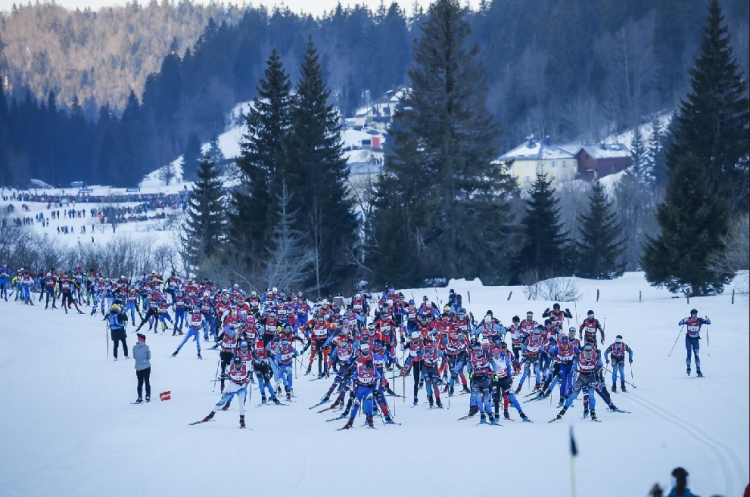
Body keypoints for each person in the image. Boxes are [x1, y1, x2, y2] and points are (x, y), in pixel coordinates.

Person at [197, 355, 251, 429]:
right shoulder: (230, 367)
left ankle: (242, 421)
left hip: (241, 388)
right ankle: (210, 416)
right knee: (221, 401)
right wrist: (224, 376)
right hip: (232, 387)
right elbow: (225, 372)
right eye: (236, 363)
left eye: (239, 363)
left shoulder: (246, 367)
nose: (237, 365)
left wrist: (248, 379)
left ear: (241, 362)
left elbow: (249, 374)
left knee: (241, 403)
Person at [678, 309, 711, 377]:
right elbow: (679, 323)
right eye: (692, 315)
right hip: (688, 339)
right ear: (691, 315)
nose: (694, 317)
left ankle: (698, 370)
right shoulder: (688, 319)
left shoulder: (700, 320)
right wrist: (682, 321)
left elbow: (709, 322)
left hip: (695, 339)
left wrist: (707, 319)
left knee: (697, 355)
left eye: (695, 315)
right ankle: (688, 368)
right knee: (689, 354)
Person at [133, 333, 151, 403]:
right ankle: (148, 395)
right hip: (146, 366)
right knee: (147, 381)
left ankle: (139, 396)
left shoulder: (134, 348)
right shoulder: (146, 347)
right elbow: (149, 357)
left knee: (139, 382)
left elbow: (134, 357)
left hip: (138, 367)